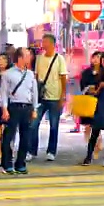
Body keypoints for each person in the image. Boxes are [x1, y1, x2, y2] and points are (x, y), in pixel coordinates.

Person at [29, 34, 68, 162]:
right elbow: (35, 77)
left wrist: (63, 96)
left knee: (54, 125)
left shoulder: (59, 59)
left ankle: (51, 151)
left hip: (55, 97)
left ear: (52, 44)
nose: (43, 44)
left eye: (45, 42)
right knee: (34, 124)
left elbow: (63, 78)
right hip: (40, 98)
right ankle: (32, 151)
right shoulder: (39, 58)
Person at [0, 48, 38, 174]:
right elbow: (3, 93)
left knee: (25, 137)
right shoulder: (8, 74)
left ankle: (20, 164)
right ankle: (7, 164)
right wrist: (4, 109)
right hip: (13, 107)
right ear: (20, 58)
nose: (30, 57)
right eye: (27, 55)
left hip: (27, 108)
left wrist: (34, 108)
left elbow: (34, 93)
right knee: (8, 137)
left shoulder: (31, 74)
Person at [79, 51, 103, 159]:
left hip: (100, 101)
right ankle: (91, 147)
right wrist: (90, 88)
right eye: (94, 57)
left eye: (99, 57)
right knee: (88, 126)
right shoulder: (86, 72)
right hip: (88, 100)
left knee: (97, 126)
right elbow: (82, 86)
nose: (96, 59)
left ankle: (97, 147)